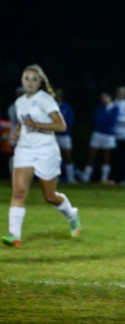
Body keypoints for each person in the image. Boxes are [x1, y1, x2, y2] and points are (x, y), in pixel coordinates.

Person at [2, 64, 80, 247]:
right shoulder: (19, 102)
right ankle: (14, 235)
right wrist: (18, 132)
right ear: (22, 80)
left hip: (45, 150)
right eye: (26, 78)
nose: (29, 82)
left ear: (40, 83)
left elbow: (61, 125)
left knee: (50, 196)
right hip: (24, 149)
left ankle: (71, 214)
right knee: (19, 192)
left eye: (34, 79)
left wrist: (37, 125)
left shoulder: (45, 99)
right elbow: (23, 121)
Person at [82, 92, 119, 183]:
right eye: (102, 98)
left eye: (105, 97)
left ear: (110, 98)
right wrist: (105, 119)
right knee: (91, 155)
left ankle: (104, 178)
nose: (103, 100)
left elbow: (112, 120)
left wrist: (103, 119)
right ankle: (85, 177)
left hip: (108, 135)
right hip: (97, 133)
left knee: (106, 157)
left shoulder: (115, 108)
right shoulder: (99, 107)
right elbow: (95, 119)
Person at [54, 88, 77, 183]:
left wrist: (63, 128)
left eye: (59, 94)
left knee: (68, 156)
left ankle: (71, 178)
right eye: (56, 94)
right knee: (55, 157)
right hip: (54, 135)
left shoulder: (67, 107)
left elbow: (70, 120)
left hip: (65, 134)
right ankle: (55, 178)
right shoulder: (51, 106)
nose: (58, 96)